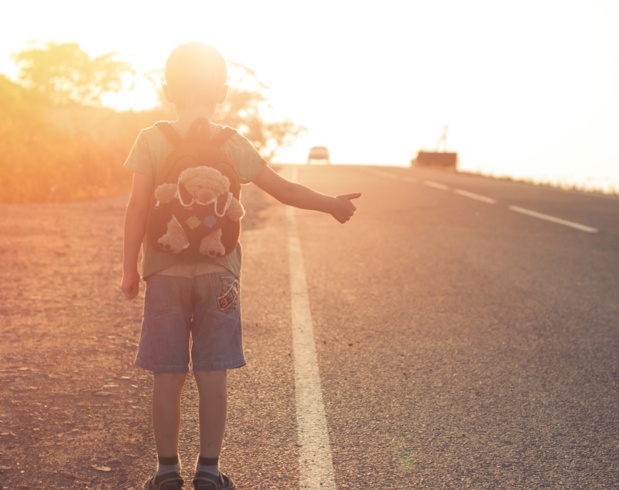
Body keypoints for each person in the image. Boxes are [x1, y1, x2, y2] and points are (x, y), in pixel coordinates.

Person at [121, 42, 360, 490]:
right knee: (213, 373)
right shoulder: (232, 142)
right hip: (220, 276)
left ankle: (167, 472)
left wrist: (129, 268)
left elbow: (136, 207)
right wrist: (330, 204)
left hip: (164, 275)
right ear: (223, 92)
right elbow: (284, 190)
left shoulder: (151, 138)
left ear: (168, 89)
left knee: (166, 375)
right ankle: (209, 472)